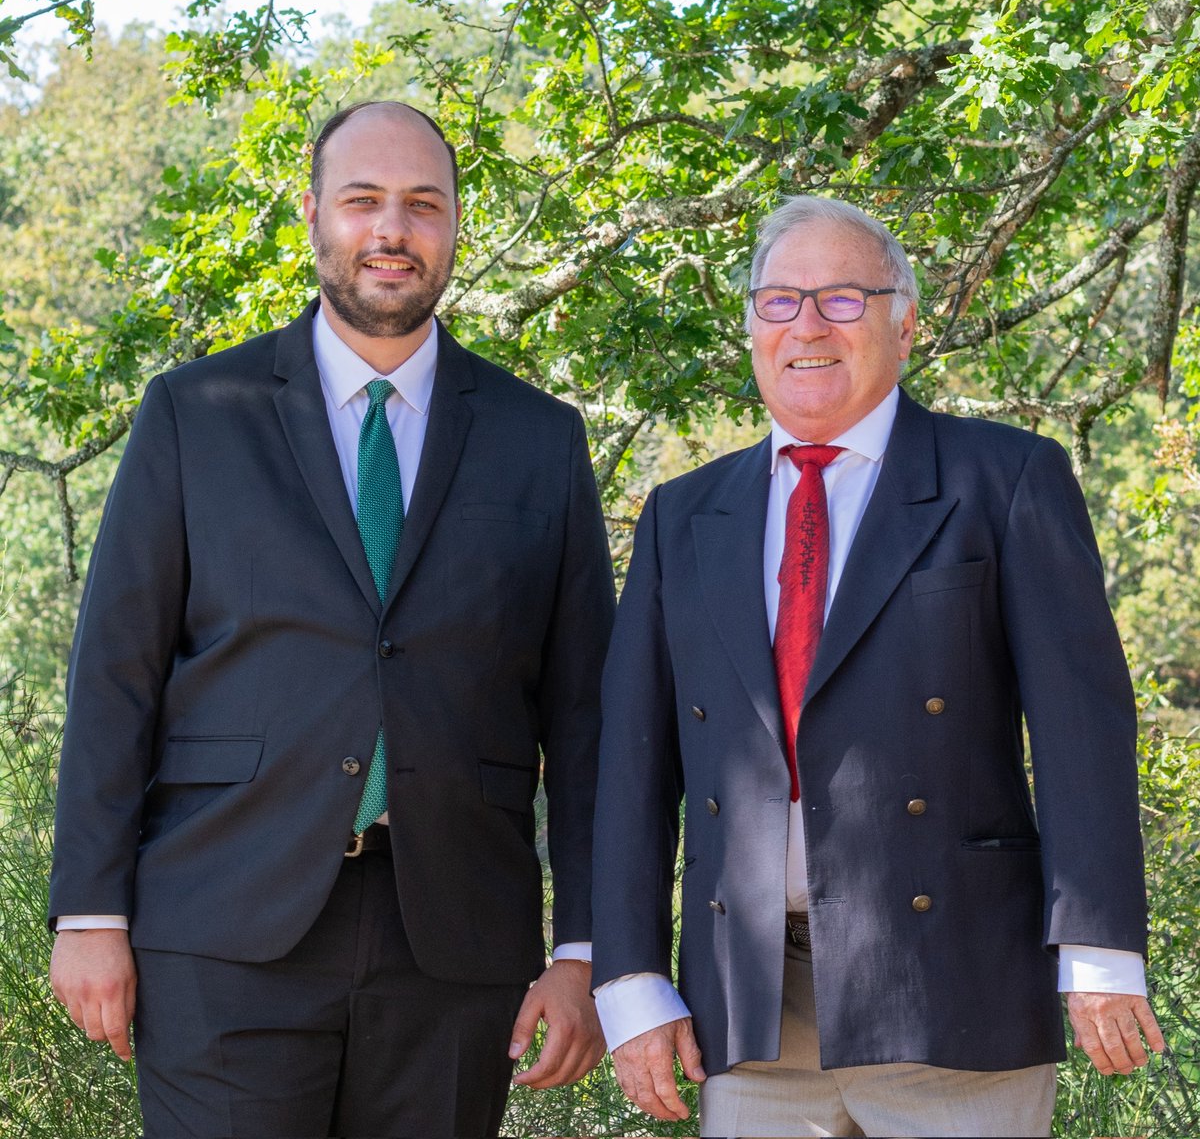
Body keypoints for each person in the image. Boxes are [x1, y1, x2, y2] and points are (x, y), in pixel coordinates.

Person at [48, 100, 615, 1139]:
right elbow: (115, 676)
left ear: (454, 226)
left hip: (456, 941)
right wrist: (90, 914)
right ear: (314, 215)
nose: (391, 229)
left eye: (422, 205)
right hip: (222, 927)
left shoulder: (541, 441)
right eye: (363, 201)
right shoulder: (194, 415)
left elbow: (585, 723)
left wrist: (584, 950)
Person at [590, 195, 1164, 1138]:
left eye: (844, 299)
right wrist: (631, 976)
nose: (808, 326)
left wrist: (1097, 947)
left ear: (904, 325)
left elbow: (1082, 726)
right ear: (750, 331)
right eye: (779, 302)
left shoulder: (1005, 478)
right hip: (755, 1009)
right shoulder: (682, 514)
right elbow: (633, 765)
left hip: (950, 991)